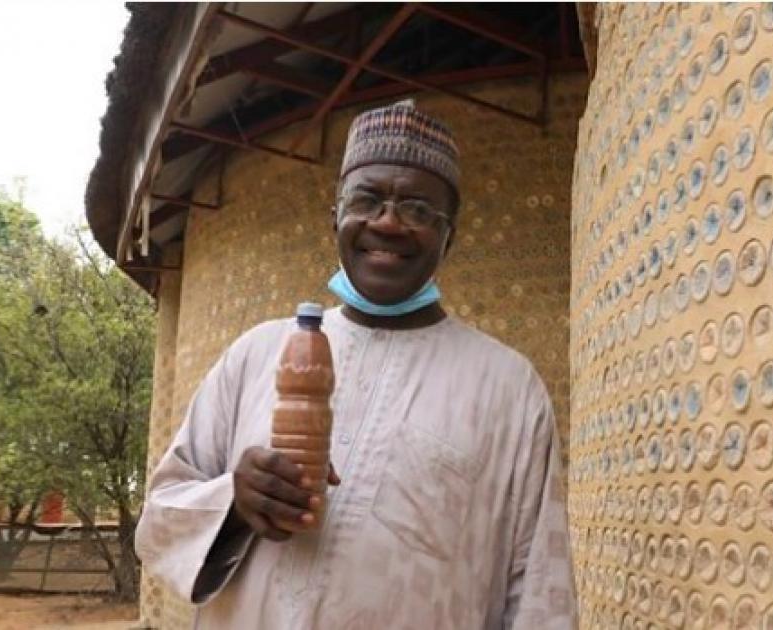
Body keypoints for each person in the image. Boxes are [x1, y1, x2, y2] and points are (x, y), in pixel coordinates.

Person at [135, 100, 576, 629]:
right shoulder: (256, 354)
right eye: (366, 200)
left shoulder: (508, 386)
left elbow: (539, 589)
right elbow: (159, 520)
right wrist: (234, 503)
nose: (388, 223)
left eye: (418, 210)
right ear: (336, 218)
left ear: (449, 237)